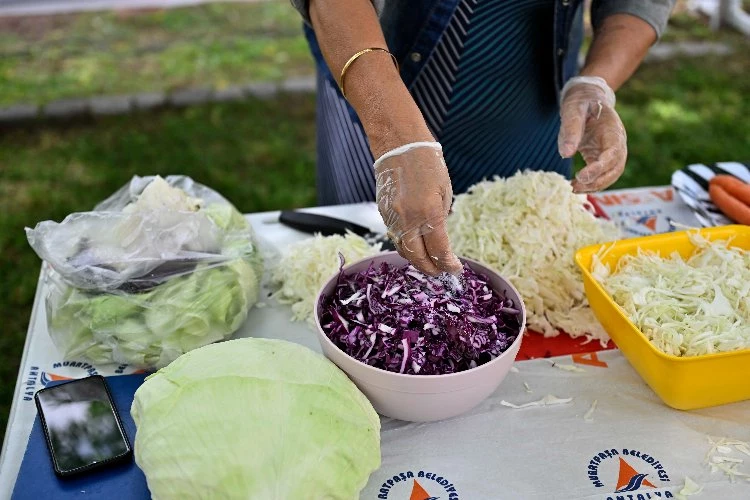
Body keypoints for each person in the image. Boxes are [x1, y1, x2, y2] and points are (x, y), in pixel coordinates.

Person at [289, 0, 675, 276]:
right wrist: (395, 135)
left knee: (533, 267)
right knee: (371, 266)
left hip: (534, 102)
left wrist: (597, 83)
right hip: (378, 89)